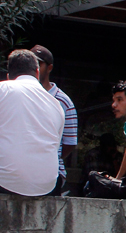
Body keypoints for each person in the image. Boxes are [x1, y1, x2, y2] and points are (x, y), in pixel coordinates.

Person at [0, 50, 65, 197]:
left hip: (5, 181)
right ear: (37, 73)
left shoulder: (3, 89)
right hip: (46, 185)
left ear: (9, 76)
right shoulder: (56, 104)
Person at [31, 45, 76, 195]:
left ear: (49, 68)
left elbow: (69, 143)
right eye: (32, 63)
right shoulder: (23, 95)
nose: (35, 67)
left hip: (51, 173)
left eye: (39, 63)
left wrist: (49, 155)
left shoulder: (63, 101)